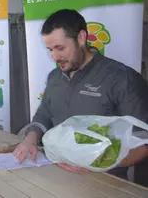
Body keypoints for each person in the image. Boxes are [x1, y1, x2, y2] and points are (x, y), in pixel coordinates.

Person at [13, 9, 148, 180]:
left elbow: (144, 142)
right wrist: (31, 139)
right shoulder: (55, 77)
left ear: (82, 38)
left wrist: (95, 163)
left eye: (59, 48)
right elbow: (44, 115)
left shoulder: (122, 79)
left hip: (103, 183)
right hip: (54, 174)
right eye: (49, 49)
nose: (54, 56)